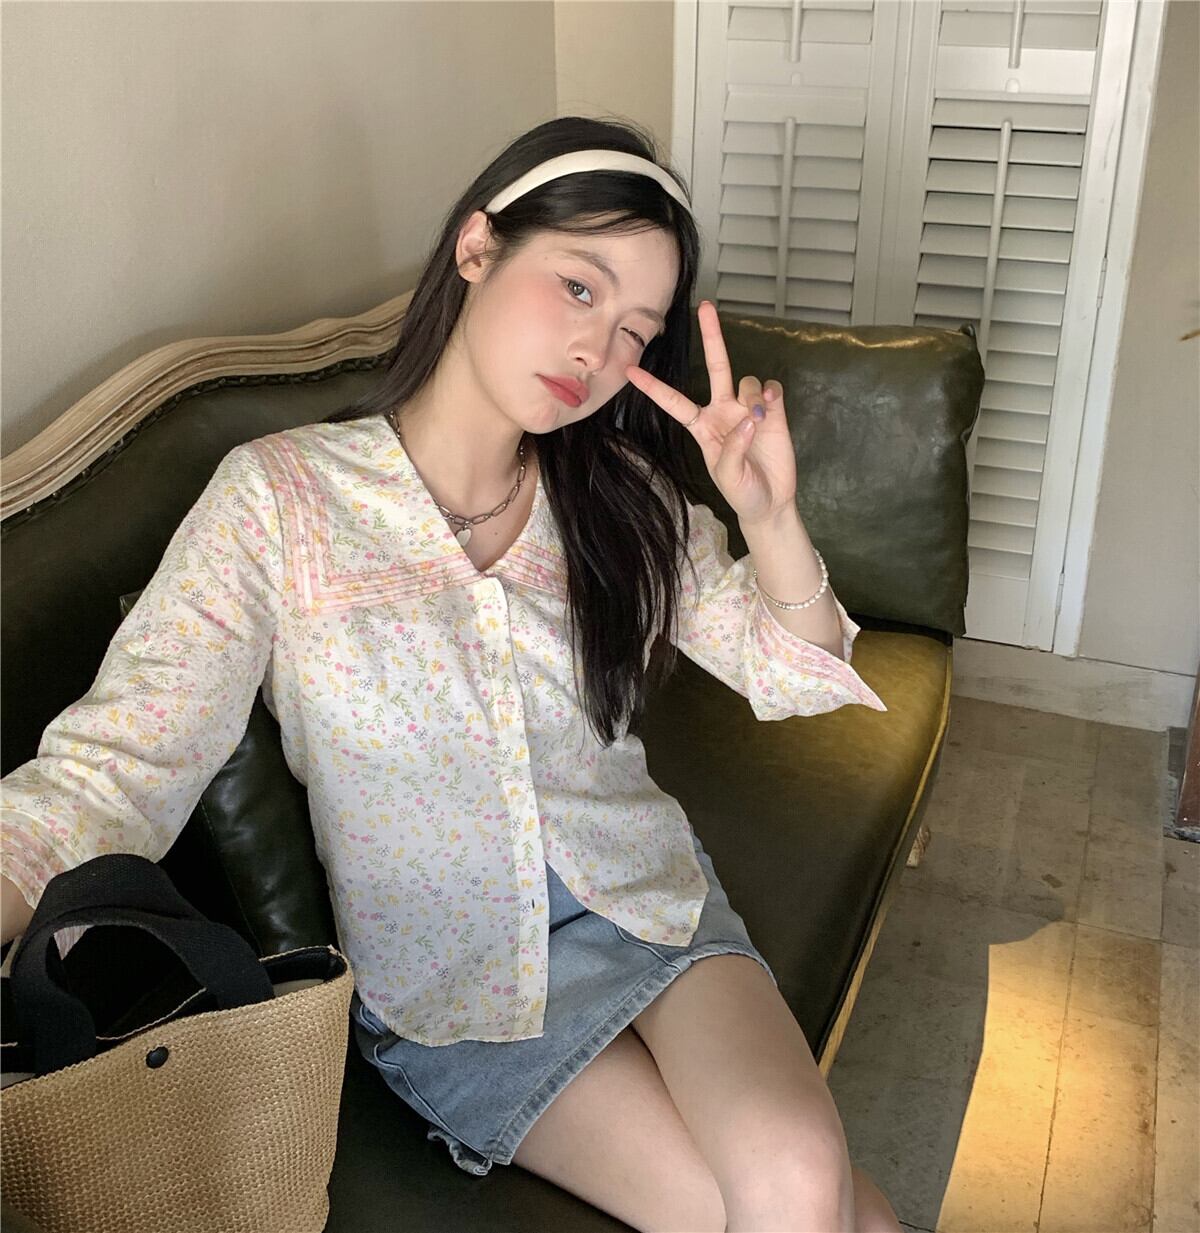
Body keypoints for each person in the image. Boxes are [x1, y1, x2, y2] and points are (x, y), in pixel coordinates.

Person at [0, 114, 904, 1232]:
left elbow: (793, 673)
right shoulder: (281, 500)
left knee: (800, 1174)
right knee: (809, 1206)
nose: (597, 350)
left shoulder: (620, 494)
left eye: (634, 332)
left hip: (649, 901)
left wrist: (769, 518)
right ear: (478, 246)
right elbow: (121, 763)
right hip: (460, 994)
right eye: (579, 287)